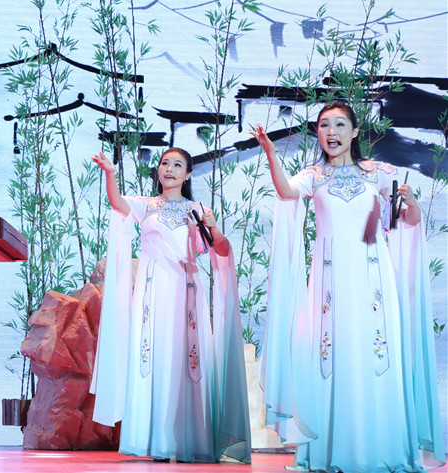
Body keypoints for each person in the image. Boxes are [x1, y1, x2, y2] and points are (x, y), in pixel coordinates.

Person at [251, 102, 445, 472]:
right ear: (318, 133)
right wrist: (272, 153)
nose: (332, 132)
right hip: (330, 281)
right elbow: (287, 193)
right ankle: (330, 452)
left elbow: (406, 221)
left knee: (374, 355)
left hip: (373, 280)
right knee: (332, 356)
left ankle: (382, 450)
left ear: (354, 132)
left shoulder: (380, 173)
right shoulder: (313, 175)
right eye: (324, 125)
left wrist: (412, 203)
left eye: (340, 125)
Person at [89, 147, 251, 464]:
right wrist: (110, 173)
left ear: (188, 174)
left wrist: (213, 227)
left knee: (187, 360)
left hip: (186, 291)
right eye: (165, 163)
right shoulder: (146, 205)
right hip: (152, 292)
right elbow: (117, 203)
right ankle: (158, 441)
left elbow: (219, 250)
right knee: (155, 357)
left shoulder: (198, 210)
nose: (170, 169)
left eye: (178, 165)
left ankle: (188, 439)